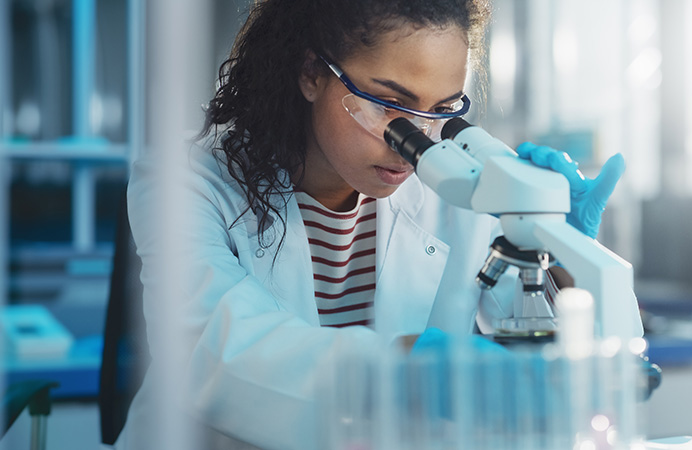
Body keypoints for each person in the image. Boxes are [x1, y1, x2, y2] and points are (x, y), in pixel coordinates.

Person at [119, 0, 643, 449]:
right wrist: (414, 370)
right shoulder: (188, 181)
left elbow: (568, 363)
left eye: (442, 109)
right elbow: (218, 355)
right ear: (311, 75)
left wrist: (565, 250)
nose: (417, 137)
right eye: (390, 104)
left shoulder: (458, 191)